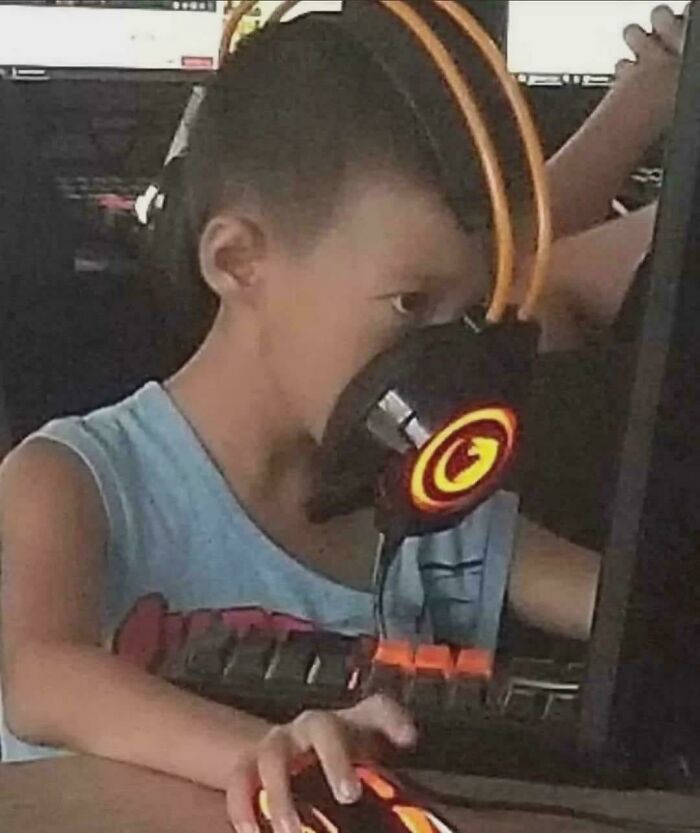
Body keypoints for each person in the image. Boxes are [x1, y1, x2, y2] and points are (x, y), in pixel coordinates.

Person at [0, 14, 598, 833]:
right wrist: (263, 751)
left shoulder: (437, 517)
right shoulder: (75, 481)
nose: (440, 364)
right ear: (239, 261)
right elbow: (41, 678)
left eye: (465, 319)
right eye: (410, 305)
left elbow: (633, 612)